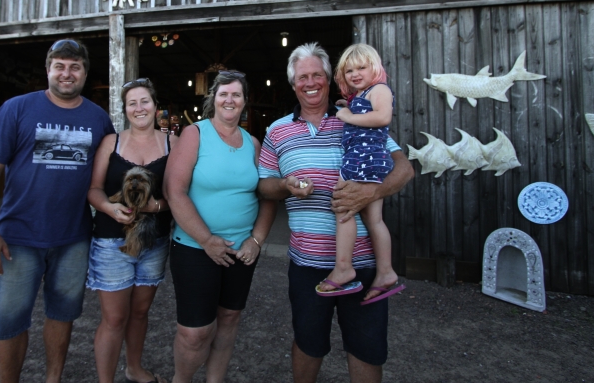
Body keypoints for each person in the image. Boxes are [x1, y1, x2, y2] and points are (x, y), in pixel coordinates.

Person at [258, 42, 414, 383]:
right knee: (308, 342)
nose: (310, 82)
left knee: (366, 348)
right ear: (293, 83)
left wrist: (372, 192)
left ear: (330, 79)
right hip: (307, 264)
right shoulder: (277, 131)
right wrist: (285, 184)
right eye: (303, 77)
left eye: (317, 75)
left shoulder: (358, 116)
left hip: (364, 264)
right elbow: (263, 186)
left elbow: (405, 168)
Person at [0, 39, 115, 383]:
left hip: (73, 238)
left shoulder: (98, 118)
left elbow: (109, 172)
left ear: (85, 72)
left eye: (75, 67)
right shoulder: (17, 108)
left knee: (62, 315)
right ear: (48, 70)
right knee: (9, 321)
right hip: (17, 238)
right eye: (60, 66)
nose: (67, 73)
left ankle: (54, 378)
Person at [163, 70, 277, 383]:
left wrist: (257, 240)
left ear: (244, 102)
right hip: (194, 247)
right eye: (223, 93)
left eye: (236, 95)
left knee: (229, 318)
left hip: (241, 251)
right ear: (213, 99)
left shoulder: (253, 144)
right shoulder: (195, 134)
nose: (229, 99)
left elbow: (267, 196)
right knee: (194, 333)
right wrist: (207, 239)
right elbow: (174, 191)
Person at [86, 78, 177, 383]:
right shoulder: (111, 142)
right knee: (114, 318)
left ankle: (134, 368)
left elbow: (181, 193)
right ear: (125, 110)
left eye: (145, 101)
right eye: (132, 103)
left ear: (155, 105)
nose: (139, 108)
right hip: (111, 241)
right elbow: (94, 189)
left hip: (154, 240)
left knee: (140, 313)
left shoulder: (172, 143)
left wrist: (158, 208)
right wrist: (110, 208)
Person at [316, 43, 400, 302]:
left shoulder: (380, 89)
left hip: (362, 159)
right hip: (368, 159)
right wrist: (349, 105)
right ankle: (385, 272)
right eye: (349, 70)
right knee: (374, 219)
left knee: (342, 208)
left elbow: (383, 117)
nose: (355, 73)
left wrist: (347, 116)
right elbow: (368, 112)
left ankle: (343, 268)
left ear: (375, 68)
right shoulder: (364, 95)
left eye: (361, 67)